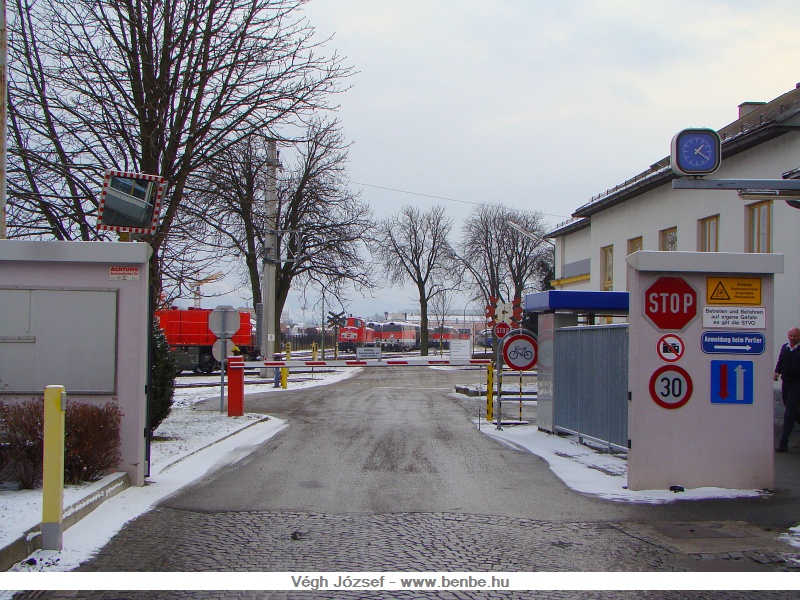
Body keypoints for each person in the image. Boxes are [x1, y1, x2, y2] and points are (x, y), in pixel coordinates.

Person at [774, 327, 800, 452]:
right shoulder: (785, 347)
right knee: (790, 408)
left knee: (789, 412)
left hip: (797, 383)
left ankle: (783, 443)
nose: (793, 338)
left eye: (795, 336)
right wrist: (777, 372)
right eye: (791, 336)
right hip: (786, 382)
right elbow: (780, 360)